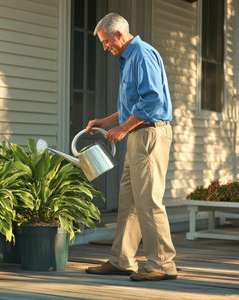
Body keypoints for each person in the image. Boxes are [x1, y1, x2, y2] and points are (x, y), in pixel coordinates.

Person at [84, 13, 177, 281]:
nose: (105, 48)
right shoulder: (129, 57)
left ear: (119, 35)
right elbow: (132, 106)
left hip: (149, 136)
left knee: (148, 200)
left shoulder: (142, 55)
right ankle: (122, 259)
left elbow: (151, 101)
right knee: (130, 200)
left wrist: (122, 129)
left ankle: (162, 264)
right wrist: (107, 120)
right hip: (138, 135)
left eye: (105, 42)